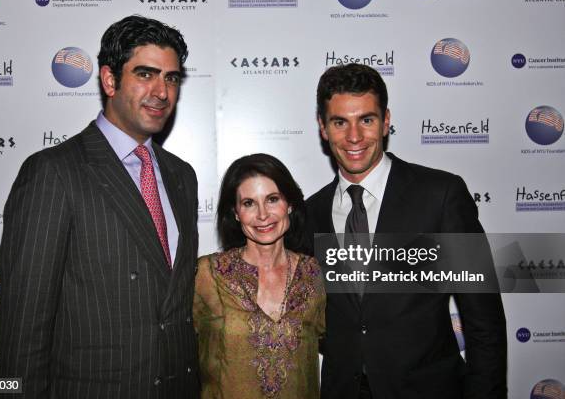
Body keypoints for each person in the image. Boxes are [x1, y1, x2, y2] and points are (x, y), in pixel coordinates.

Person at [0, 15, 199, 398]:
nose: (161, 91)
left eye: (171, 78)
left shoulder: (181, 176)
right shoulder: (54, 172)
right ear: (109, 80)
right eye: (146, 74)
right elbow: (23, 332)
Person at [305, 64, 507, 399]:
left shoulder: (440, 196)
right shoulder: (310, 213)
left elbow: (483, 322)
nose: (353, 137)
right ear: (323, 128)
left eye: (366, 120)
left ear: (385, 122)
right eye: (340, 122)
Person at [193, 153, 325, 399]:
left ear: (290, 204)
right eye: (249, 203)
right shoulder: (207, 275)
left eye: (273, 199)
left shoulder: (314, 274)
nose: (263, 215)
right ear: (235, 212)